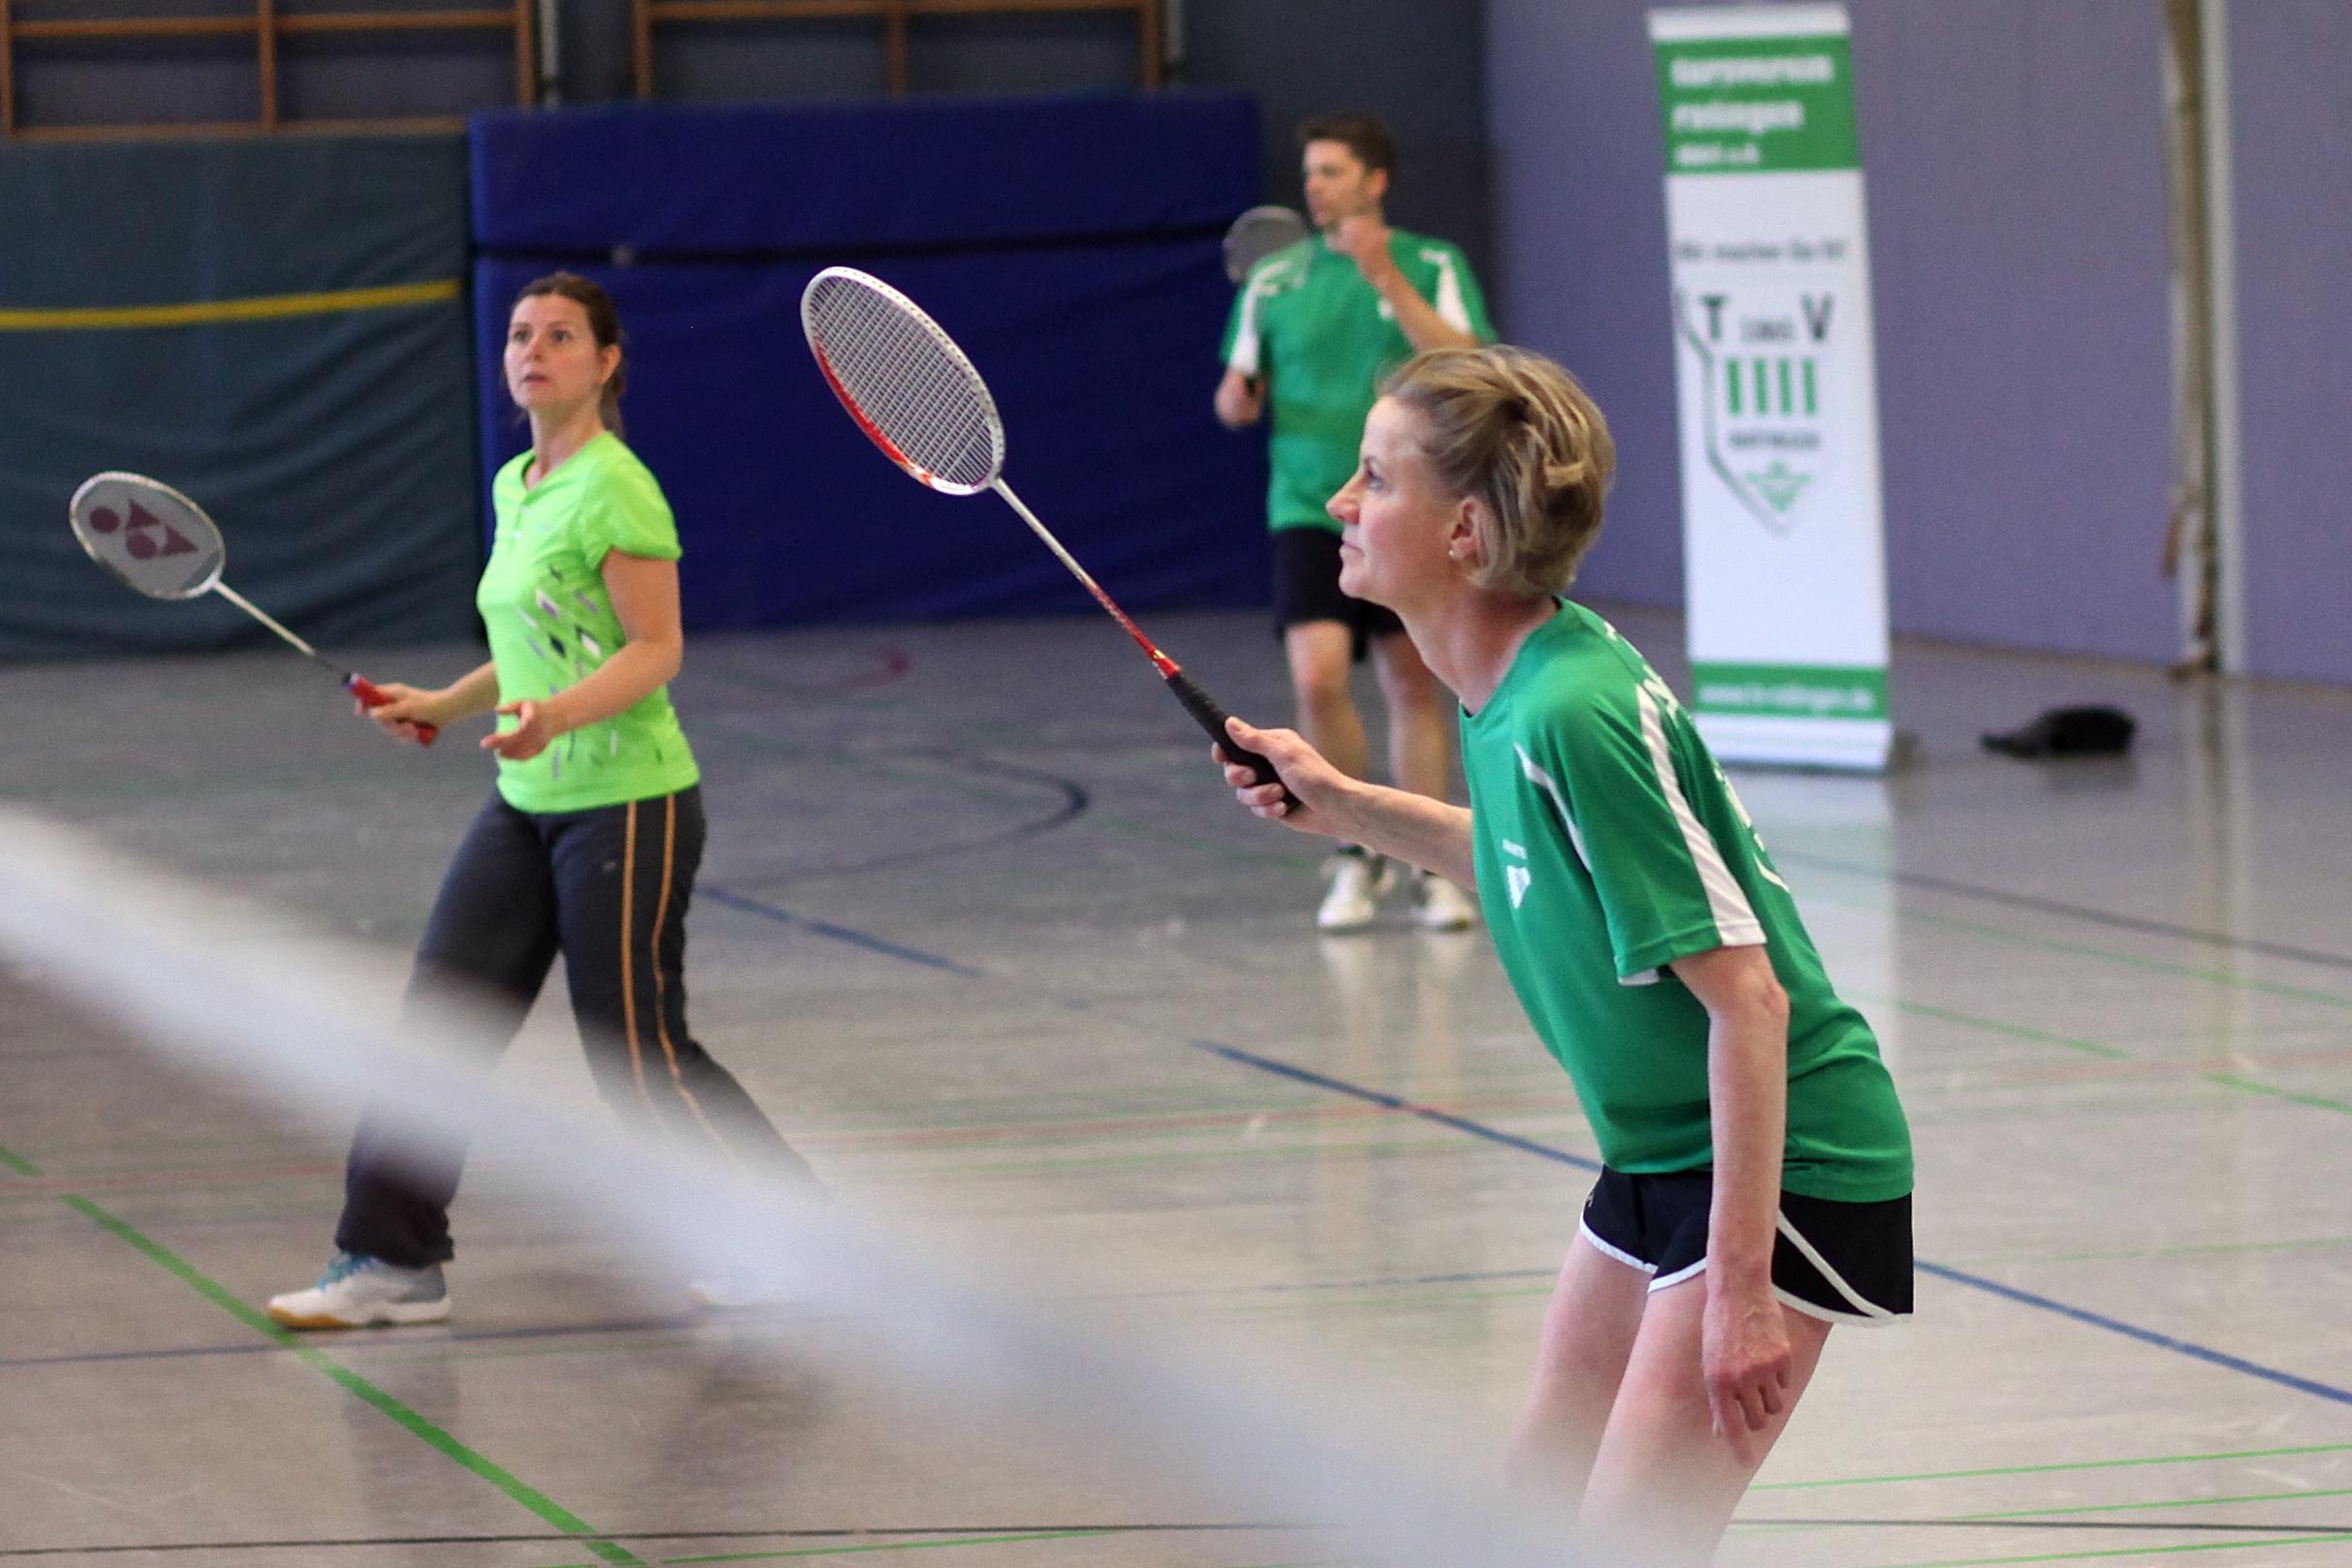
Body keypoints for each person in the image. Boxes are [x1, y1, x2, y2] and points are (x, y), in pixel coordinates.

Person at [1213, 345, 1913, 1564]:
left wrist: (1741, 1288)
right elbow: (1532, 866)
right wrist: (1345, 804)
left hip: (1787, 1156)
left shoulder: (1568, 712)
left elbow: (1746, 1000)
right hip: (1658, 1149)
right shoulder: (1504, 683)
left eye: (1374, 477)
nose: (1339, 500)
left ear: (1465, 532)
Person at [267, 272, 820, 1330]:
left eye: (560, 336)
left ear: (605, 363)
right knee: (440, 1022)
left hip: (628, 800)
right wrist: (443, 698)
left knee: (635, 1050)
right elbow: (531, 647)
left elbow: (656, 649)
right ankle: (391, 1258)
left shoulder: (617, 485)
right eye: (520, 334)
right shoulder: (517, 480)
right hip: (525, 797)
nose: (533, 351)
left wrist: (557, 717)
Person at [1216, 112, 1494, 934]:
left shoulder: (1432, 263)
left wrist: (1384, 277)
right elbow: (1235, 392)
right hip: (1309, 504)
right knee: (1317, 675)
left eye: (1332, 171)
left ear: (1374, 181)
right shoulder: (1274, 280)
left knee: (1412, 680)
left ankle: (1424, 859)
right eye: (1310, 172)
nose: (1314, 185)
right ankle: (1352, 846)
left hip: (1409, 504)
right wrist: (1237, 398)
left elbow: (1470, 366)